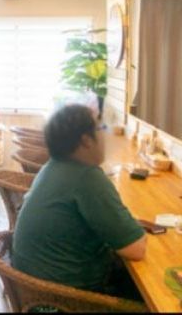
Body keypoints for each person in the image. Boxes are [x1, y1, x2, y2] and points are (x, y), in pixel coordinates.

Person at [12, 104, 146, 299]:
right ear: (86, 141)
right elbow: (136, 250)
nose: (106, 136)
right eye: (102, 129)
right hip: (65, 299)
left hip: (32, 288)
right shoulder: (87, 177)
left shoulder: (54, 165)